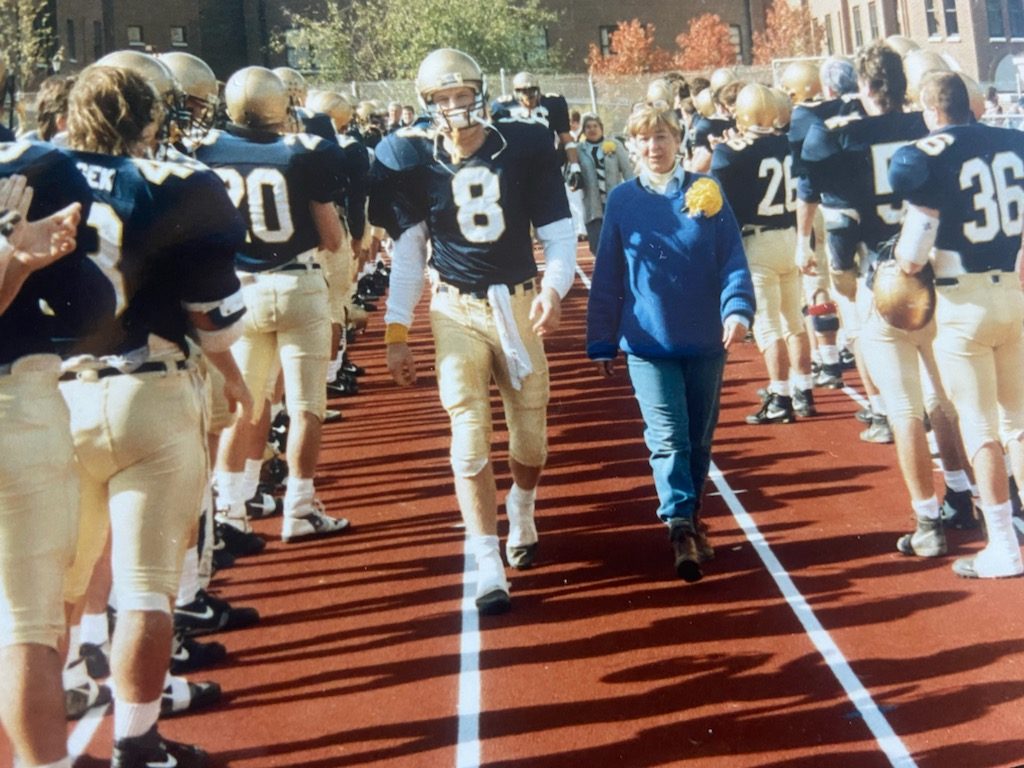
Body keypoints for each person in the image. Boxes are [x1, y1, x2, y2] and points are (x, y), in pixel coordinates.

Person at [61, 64, 251, 768]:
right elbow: (215, 316)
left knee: (54, 583)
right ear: (149, 118)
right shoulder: (177, 183)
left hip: (52, 394)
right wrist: (233, 378)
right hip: (147, 387)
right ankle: (138, 740)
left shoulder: (34, 170)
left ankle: (67, 694)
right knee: (145, 585)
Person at [371, 48, 576, 615]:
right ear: (426, 105)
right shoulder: (410, 158)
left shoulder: (525, 145)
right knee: (467, 429)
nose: (455, 108)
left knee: (530, 436)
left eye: (463, 95)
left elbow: (559, 236)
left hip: (517, 301)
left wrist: (555, 291)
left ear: (482, 94)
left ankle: (523, 509)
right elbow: (410, 256)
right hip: (454, 308)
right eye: (443, 99)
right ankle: (486, 558)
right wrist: (395, 331)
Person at [587, 106, 754, 583]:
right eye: (643, 139)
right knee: (668, 437)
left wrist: (737, 308)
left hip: (704, 338)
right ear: (632, 146)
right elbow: (608, 275)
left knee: (699, 437)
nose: (653, 146)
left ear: (678, 138)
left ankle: (693, 514)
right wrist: (601, 339)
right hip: (647, 341)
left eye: (661, 136)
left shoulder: (707, 193)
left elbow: (732, 261)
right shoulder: (622, 200)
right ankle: (679, 523)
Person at [196, 66, 351, 544]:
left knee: (247, 401)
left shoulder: (206, 150)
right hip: (297, 282)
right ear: (280, 106)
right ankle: (299, 510)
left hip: (240, 288)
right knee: (305, 407)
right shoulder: (304, 152)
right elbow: (331, 236)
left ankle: (232, 511)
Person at [890, 71, 1024, 578]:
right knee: (1020, 423)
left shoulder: (929, 153)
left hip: (963, 302)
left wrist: (902, 263)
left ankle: (1004, 549)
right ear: (970, 104)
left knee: (981, 426)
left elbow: (912, 254)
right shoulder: (1014, 140)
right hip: (1014, 293)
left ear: (930, 111)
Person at [0, 155, 95, 768]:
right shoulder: (29, 175)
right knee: (28, 624)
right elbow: (92, 305)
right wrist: (10, 243)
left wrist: (15, 261)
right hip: (14, 404)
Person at [711, 83, 815, 423]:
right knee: (794, 320)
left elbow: (723, 206)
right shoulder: (792, 142)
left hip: (758, 242)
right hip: (790, 236)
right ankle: (804, 388)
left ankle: (780, 396)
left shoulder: (731, 152)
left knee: (768, 324)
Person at [577, 112, 634, 254]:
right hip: (592, 204)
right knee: (597, 245)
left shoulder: (614, 144)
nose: (592, 130)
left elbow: (628, 171)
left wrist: (634, 193)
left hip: (614, 201)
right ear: (584, 131)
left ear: (601, 128)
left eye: (595, 126)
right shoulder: (579, 149)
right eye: (588, 127)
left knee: (618, 241)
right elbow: (571, 175)